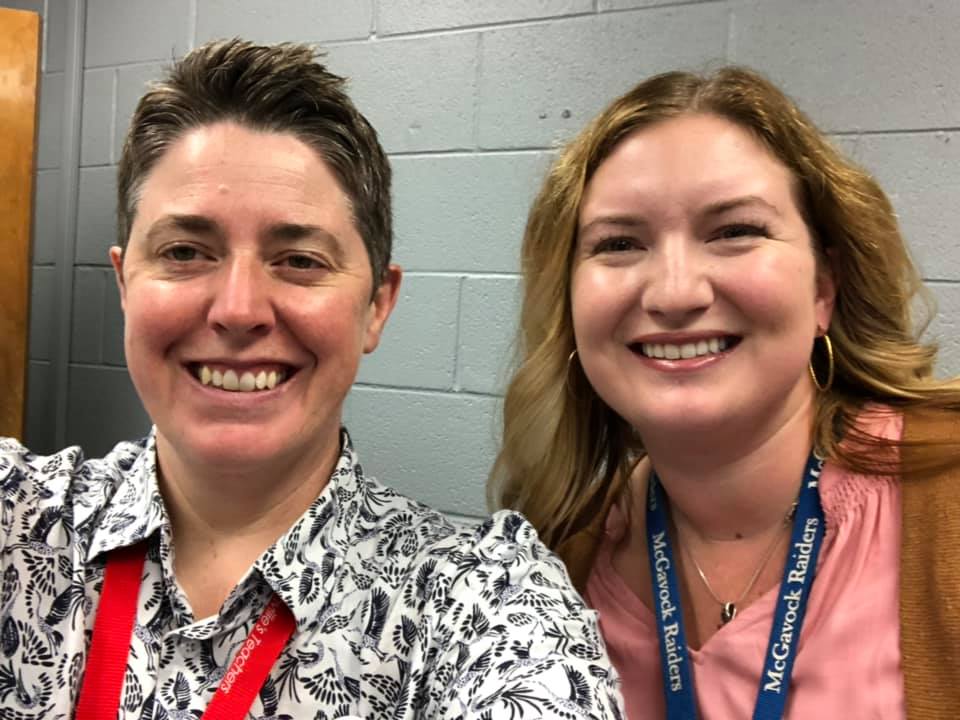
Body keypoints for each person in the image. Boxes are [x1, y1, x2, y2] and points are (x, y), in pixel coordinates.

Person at [0, 39, 624, 719]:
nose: (238, 309)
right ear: (125, 283)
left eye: (299, 260)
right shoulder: (20, 523)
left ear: (376, 306)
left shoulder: (477, 606)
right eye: (184, 252)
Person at [491, 66, 960, 719]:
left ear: (823, 288)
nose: (675, 293)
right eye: (619, 243)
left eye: (735, 231)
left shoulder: (946, 492)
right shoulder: (559, 557)